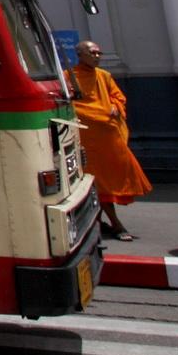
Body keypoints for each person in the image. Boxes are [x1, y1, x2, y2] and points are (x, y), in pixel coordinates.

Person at [69, 39, 149, 239]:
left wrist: (114, 107)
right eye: (92, 53)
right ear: (80, 55)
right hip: (88, 140)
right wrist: (94, 115)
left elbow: (118, 98)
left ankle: (98, 222)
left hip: (108, 138)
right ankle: (116, 224)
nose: (96, 56)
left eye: (98, 53)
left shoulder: (104, 76)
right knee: (96, 184)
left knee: (113, 179)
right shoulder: (69, 77)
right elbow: (69, 103)